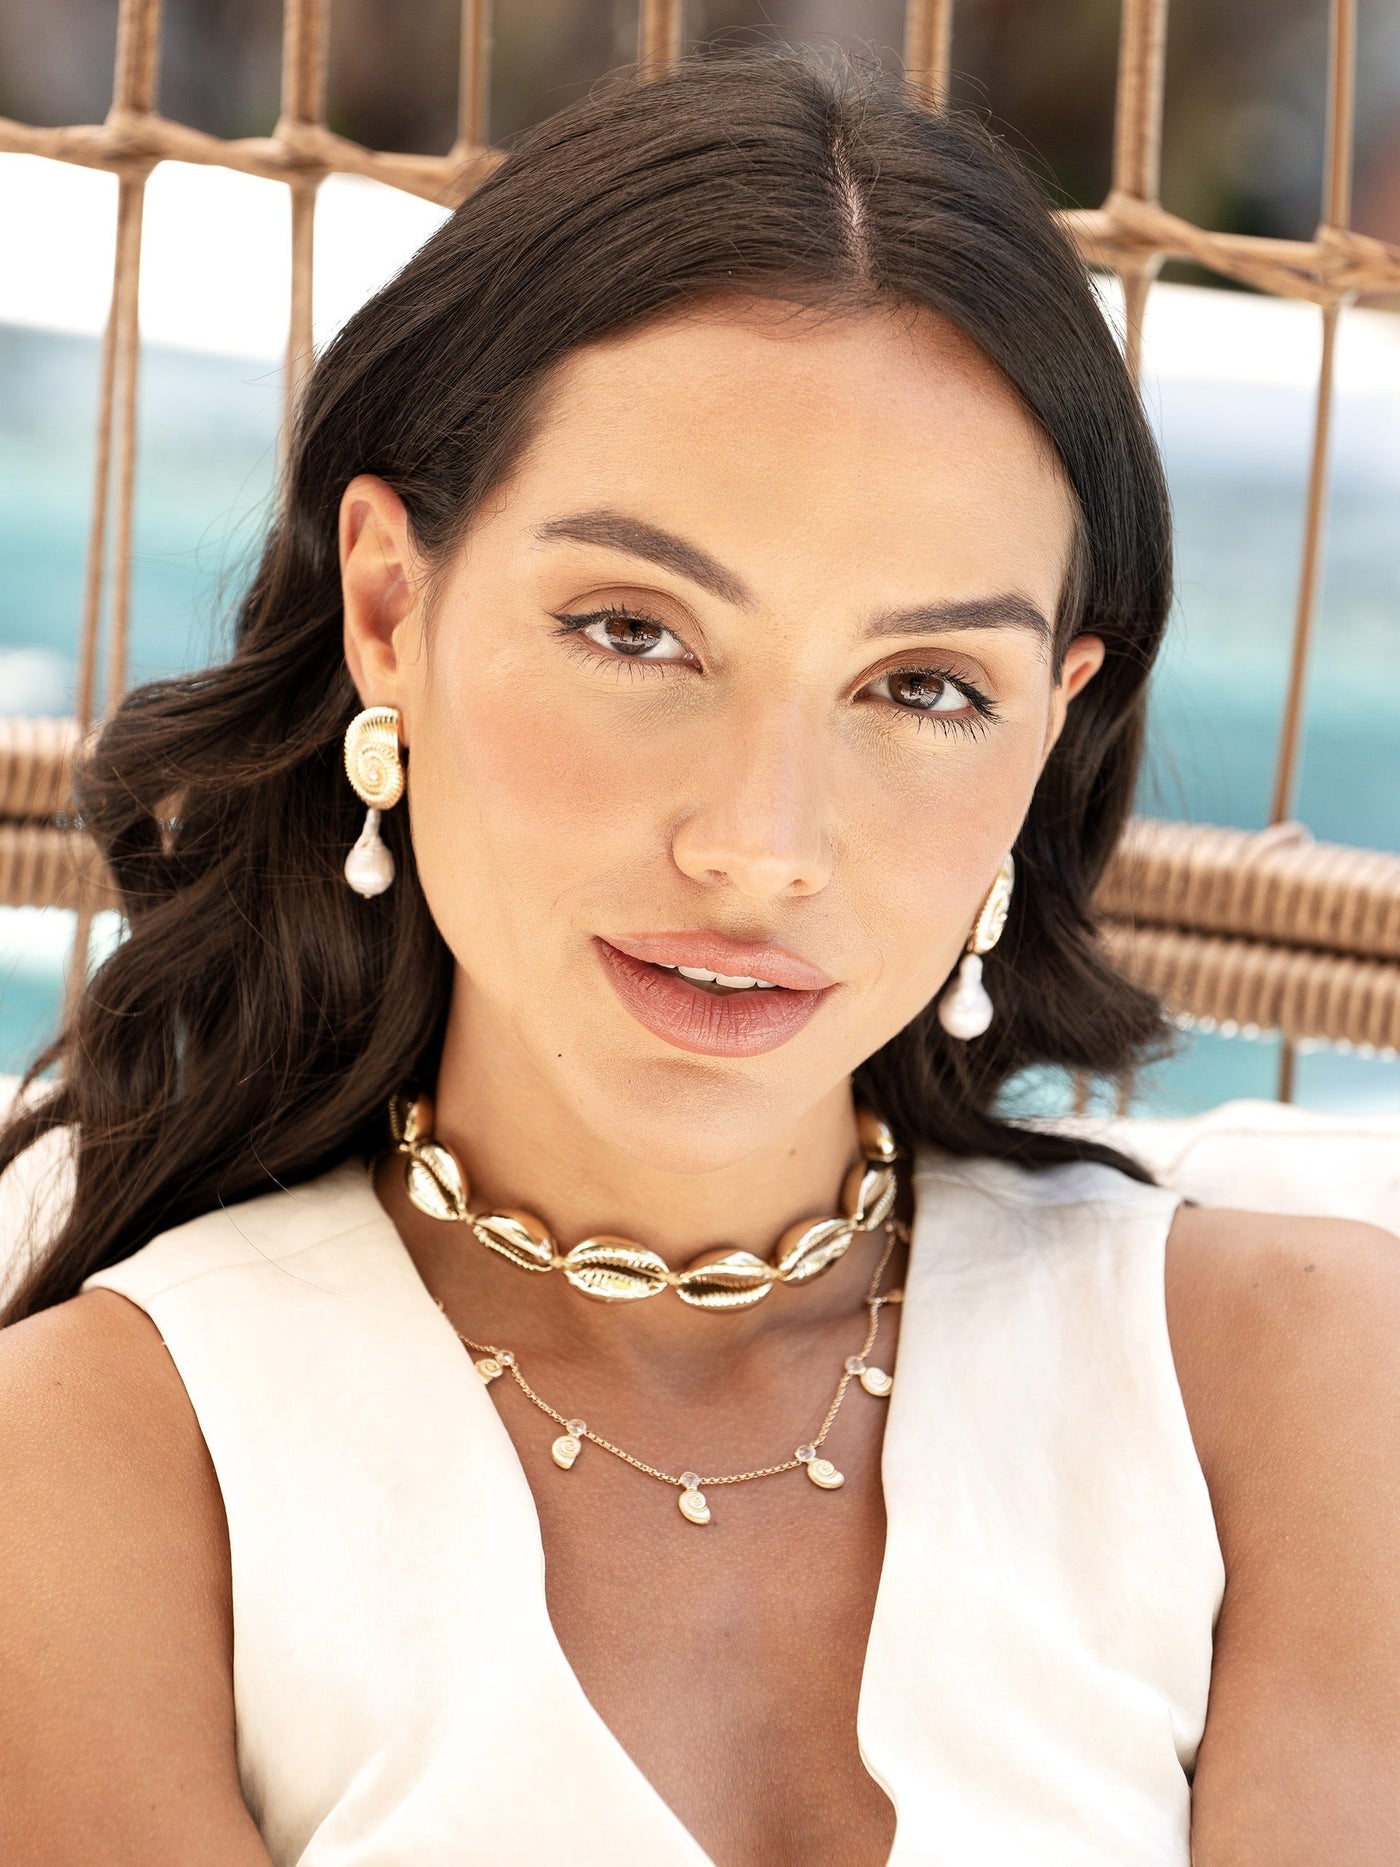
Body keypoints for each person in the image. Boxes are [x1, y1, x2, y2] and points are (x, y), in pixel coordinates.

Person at [1, 45, 1396, 1867]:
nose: (760, 843)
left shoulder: (1291, 1382)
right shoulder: (110, 1466)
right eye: (634, 630)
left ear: (1052, 725)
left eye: (923, 687)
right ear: (389, 608)